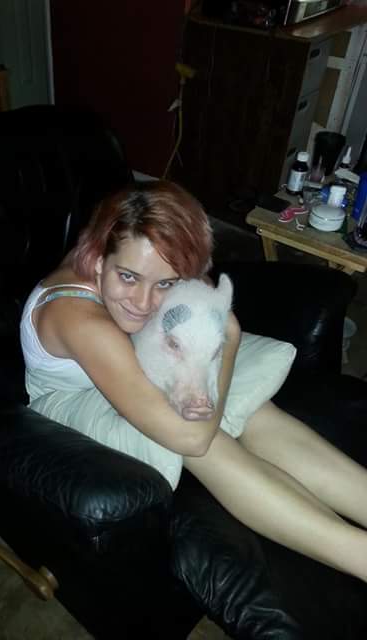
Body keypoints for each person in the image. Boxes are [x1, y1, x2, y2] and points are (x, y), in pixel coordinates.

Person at [20, 179, 367, 583]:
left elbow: (196, 284)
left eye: (164, 283)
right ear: (98, 260)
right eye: (128, 277)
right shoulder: (82, 321)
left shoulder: (126, 254)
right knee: (204, 440)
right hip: (71, 400)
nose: (144, 302)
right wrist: (230, 341)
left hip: (128, 358)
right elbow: (193, 439)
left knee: (255, 412)